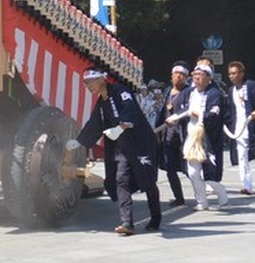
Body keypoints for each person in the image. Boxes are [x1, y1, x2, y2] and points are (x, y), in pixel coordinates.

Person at [70, 68, 162, 234]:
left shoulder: (121, 91)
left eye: (90, 81)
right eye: (85, 83)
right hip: (122, 147)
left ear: (101, 80)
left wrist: (120, 127)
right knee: (121, 179)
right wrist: (79, 142)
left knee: (147, 181)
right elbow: (95, 124)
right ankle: (127, 223)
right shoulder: (102, 102)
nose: (87, 86)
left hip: (140, 143)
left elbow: (130, 110)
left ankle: (156, 217)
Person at [183, 63, 229, 211]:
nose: (197, 77)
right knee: (192, 172)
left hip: (207, 137)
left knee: (209, 172)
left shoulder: (215, 94)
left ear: (209, 78)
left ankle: (220, 191)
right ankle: (202, 201)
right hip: (192, 137)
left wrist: (198, 114)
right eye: (195, 74)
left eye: (201, 75)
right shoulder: (189, 92)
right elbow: (182, 109)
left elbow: (214, 115)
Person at [226, 61, 255, 195]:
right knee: (241, 156)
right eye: (230, 74)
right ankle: (247, 185)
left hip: (253, 127)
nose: (231, 76)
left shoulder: (251, 85)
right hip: (239, 129)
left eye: (234, 73)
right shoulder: (231, 90)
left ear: (242, 73)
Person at [154, 62, 189, 207]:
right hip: (168, 136)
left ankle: (203, 194)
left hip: (183, 136)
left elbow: (189, 109)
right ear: (172, 75)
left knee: (189, 170)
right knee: (170, 169)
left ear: (186, 77)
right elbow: (162, 112)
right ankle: (179, 197)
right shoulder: (168, 92)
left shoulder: (188, 92)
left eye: (182, 74)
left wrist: (177, 117)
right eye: (176, 73)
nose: (178, 76)